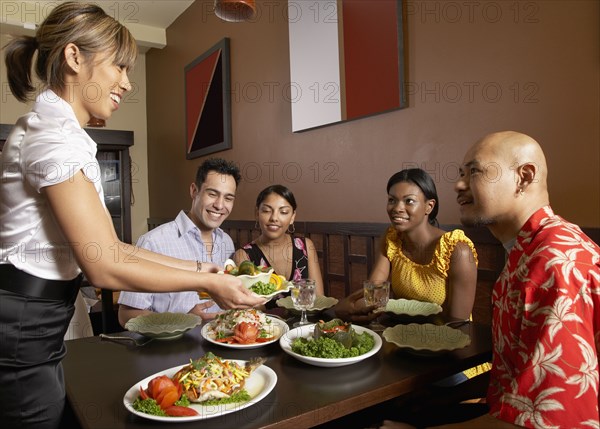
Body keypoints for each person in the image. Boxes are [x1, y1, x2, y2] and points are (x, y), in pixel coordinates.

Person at [0, 4, 263, 429]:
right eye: (119, 66)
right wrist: (208, 281)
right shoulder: (54, 137)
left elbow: (112, 247)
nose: (126, 82)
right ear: (74, 58)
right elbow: (104, 264)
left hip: (34, 319)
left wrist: (203, 266)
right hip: (23, 323)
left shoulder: (57, 131)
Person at [382, 131, 600, 428]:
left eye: (474, 171)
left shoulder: (552, 262)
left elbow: (549, 420)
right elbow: (513, 376)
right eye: (460, 174)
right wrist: (448, 398)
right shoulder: (527, 250)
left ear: (524, 177)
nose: (458, 184)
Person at [336, 168, 487, 382]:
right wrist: (343, 308)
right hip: (403, 347)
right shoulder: (391, 240)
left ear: (429, 206)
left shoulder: (457, 249)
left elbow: (457, 326)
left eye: (409, 201)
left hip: (449, 358)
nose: (397, 208)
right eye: (391, 200)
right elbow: (372, 297)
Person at [118, 158, 241, 326]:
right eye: (212, 194)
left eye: (228, 198)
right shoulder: (153, 243)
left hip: (223, 343)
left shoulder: (226, 242)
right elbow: (127, 314)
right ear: (194, 191)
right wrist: (181, 321)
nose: (220, 205)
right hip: (170, 348)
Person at [233, 184, 324, 295]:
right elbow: (254, 306)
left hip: (306, 313)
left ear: (292, 217)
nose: (274, 218)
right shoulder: (243, 256)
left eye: (283, 212)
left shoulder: (306, 246)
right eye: (266, 211)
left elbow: (318, 297)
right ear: (257, 213)